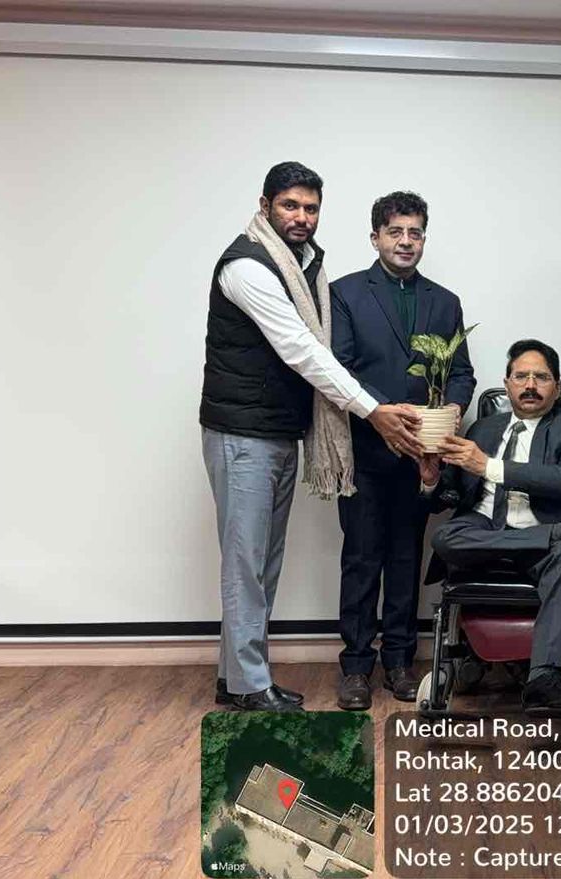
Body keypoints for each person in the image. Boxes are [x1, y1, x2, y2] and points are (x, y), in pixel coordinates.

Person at [201, 162, 420, 712]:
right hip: (242, 434)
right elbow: (302, 349)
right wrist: (373, 410)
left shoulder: (301, 265)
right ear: (265, 206)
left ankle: (236, 676)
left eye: (310, 208)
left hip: (277, 431)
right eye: (290, 205)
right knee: (246, 563)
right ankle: (249, 685)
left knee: (261, 562)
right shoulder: (247, 266)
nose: (301, 217)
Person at [331, 191, 475, 711]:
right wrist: (381, 414)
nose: (406, 242)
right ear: (375, 238)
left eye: (415, 233)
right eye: (395, 232)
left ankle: (399, 661)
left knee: (405, 555)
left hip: (423, 455)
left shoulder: (445, 301)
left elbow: (461, 372)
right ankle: (355, 667)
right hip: (366, 450)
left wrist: (453, 408)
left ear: (423, 239)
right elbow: (338, 369)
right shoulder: (345, 293)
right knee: (362, 557)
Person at [421, 340, 561, 713]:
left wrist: (489, 467)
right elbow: (450, 494)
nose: (530, 385)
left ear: (557, 387)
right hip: (486, 533)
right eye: (521, 376)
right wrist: (431, 479)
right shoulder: (482, 429)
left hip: (543, 543)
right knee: (445, 536)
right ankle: (558, 535)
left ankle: (545, 679)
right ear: (507, 383)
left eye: (541, 377)